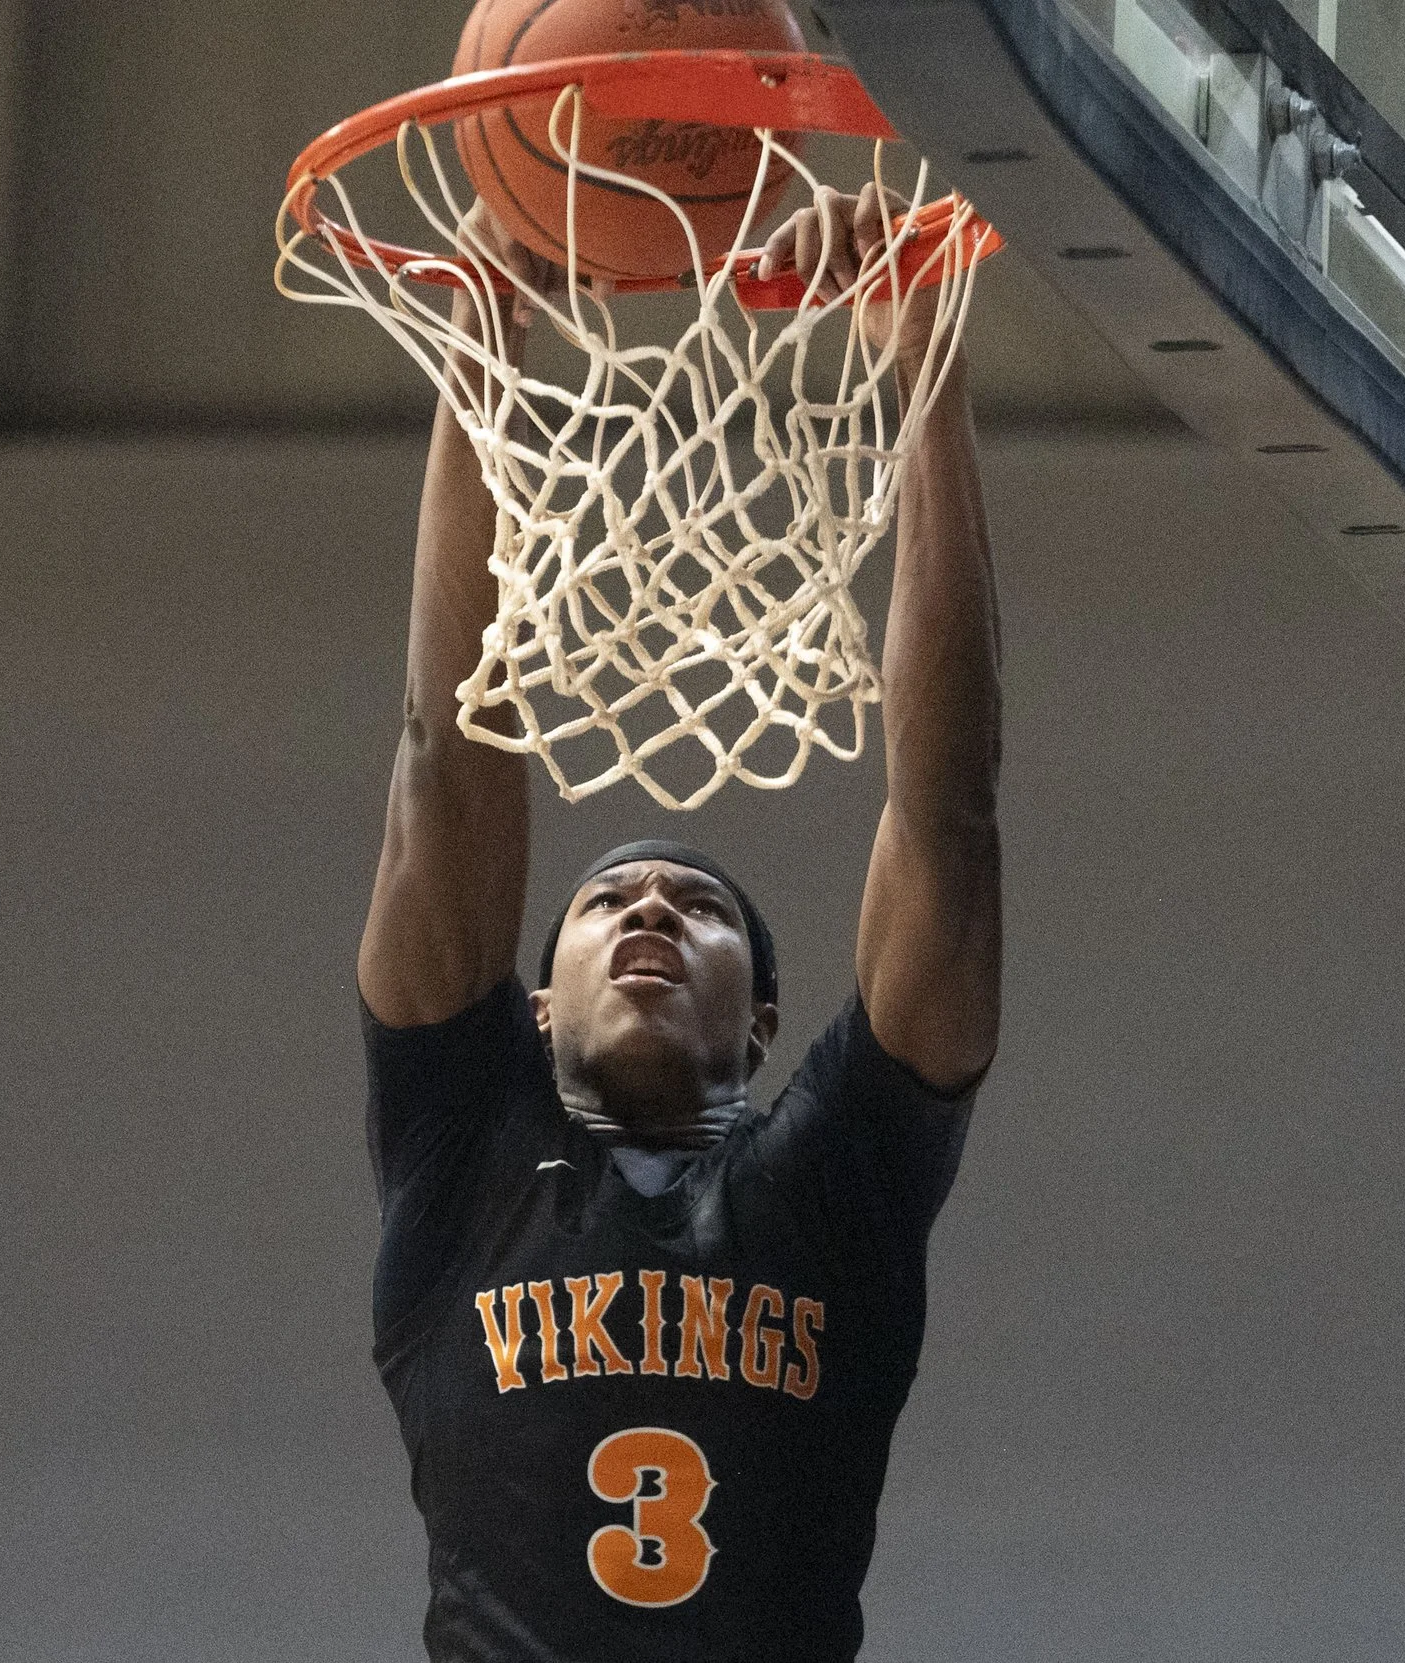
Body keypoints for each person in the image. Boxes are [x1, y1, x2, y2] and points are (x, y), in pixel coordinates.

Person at [357, 185, 1002, 1663]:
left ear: (764, 1016)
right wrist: (479, 381)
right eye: (606, 902)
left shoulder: (833, 1181)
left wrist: (926, 377)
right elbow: (445, 753)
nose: (651, 906)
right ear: (530, 1002)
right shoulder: (466, 1164)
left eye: (700, 906)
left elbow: (948, 823)